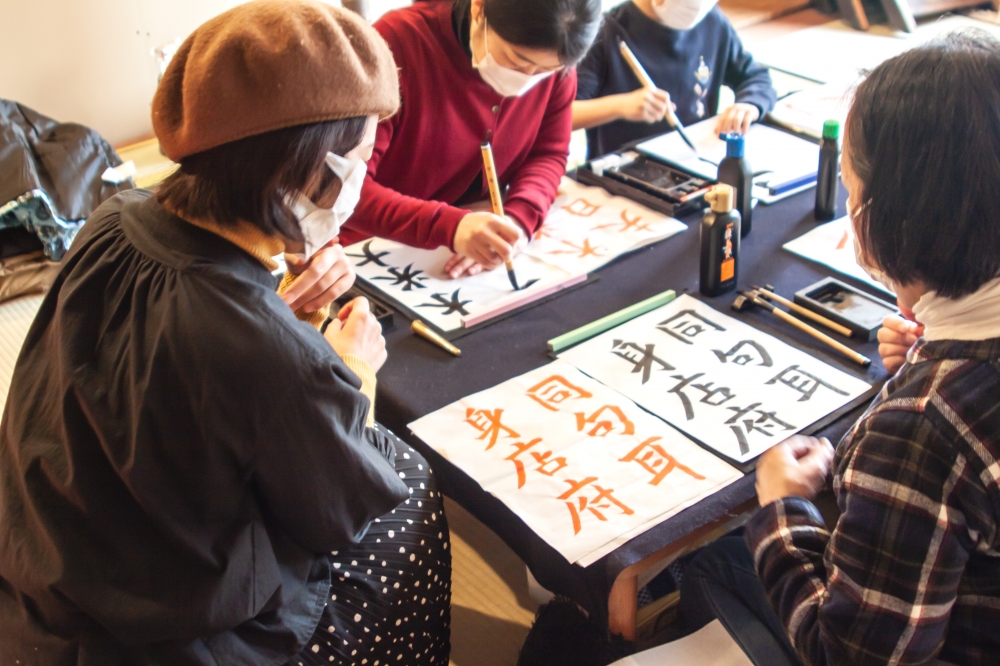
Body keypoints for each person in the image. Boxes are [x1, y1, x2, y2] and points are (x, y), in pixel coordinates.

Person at [0, 3, 452, 664]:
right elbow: (337, 510)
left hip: (45, 566)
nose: (363, 179)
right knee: (407, 486)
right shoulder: (276, 356)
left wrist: (283, 325)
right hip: (159, 640)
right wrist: (351, 370)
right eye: (360, 159)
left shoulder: (113, 219)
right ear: (303, 172)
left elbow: (162, 363)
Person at [678, 31, 1000, 665]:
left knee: (714, 561)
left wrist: (782, 506)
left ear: (888, 216)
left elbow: (852, 655)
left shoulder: (921, 426)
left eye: (852, 190)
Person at [339, 0, 603, 279]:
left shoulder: (557, 60)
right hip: (367, 251)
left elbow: (548, 153)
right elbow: (342, 189)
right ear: (479, 7)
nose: (527, 79)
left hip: (462, 251)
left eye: (543, 72)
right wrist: (449, 226)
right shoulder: (397, 44)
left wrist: (519, 220)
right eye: (516, 60)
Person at [572, 0, 777, 158]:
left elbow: (755, 77)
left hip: (693, 160)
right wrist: (620, 106)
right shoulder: (606, 34)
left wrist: (750, 104)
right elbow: (563, 114)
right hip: (625, 173)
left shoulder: (712, 21)